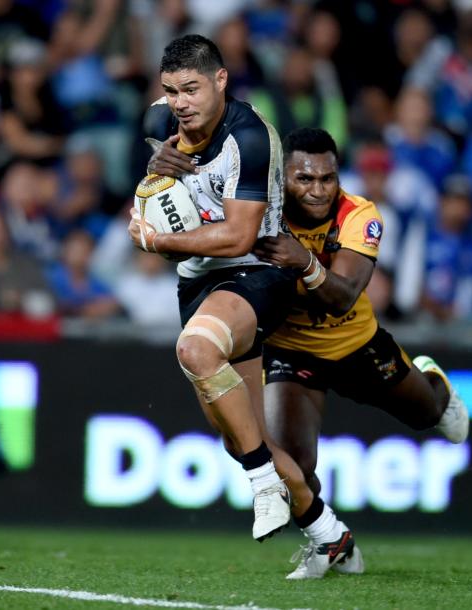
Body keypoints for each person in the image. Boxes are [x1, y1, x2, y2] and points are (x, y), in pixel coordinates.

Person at [127, 35, 349, 565]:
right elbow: (148, 121)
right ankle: (330, 534)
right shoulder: (168, 121)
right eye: (171, 91)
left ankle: (262, 485)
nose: (180, 102)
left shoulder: (249, 138)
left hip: (257, 275)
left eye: (192, 89)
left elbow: (238, 237)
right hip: (198, 283)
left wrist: (154, 239)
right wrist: (156, 150)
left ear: (221, 81)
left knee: (196, 350)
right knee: (238, 434)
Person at [253, 127, 469, 578]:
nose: (317, 190)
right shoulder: (257, 210)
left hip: (356, 345)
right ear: (281, 177)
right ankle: (331, 543)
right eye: (304, 179)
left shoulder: (360, 214)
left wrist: (304, 261)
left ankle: (435, 382)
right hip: (290, 352)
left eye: (327, 179)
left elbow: (343, 295)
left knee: (428, 415)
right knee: (293, 466)